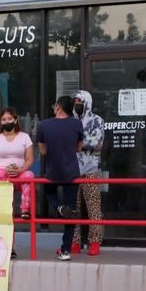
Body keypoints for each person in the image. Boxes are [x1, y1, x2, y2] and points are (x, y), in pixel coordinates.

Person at [36, 96, 83, 261]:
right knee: (72, 212)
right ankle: (65, 251)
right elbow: (78, 148)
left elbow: (42, 151)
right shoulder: (77, 124)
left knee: (49, 193)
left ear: (58, 107)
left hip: (52, 172)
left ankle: (58, 207)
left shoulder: (44, 125)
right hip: (71, 172)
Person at [0, 107, 35, 220]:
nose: (7, 121)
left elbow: (29, 159)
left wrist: (20, 170)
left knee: (29, 176)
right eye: (4, 119)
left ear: (15, 120)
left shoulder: (25, 137)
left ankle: (25, 210)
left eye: (9, 118)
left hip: (20, 173)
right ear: (0, 122)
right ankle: (3, 211)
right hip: (2, 174)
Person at [71, 90, 105, 256]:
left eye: (80, 100)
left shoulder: (97, 120)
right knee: (72, 207)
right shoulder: (70, 121)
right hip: (72, 169)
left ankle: (94, 242)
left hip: (91, 168)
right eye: (75, 101)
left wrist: (77, 144)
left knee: (93, 205)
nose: (77, 103)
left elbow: (97, 143)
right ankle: (74, 242)